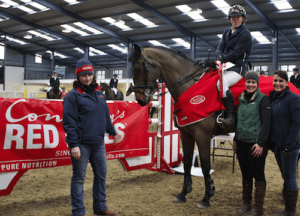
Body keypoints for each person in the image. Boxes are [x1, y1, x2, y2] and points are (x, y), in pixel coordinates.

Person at [63, 58, 121, 216]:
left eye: (89, 74)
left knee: (101, 176)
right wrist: (74, 144)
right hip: (81, 145)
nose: (87, 78)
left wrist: (113, 132)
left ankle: (100, 207)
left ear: (93, 75)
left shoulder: (100, 94)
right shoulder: (72, 96)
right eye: (83, 75)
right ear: (78, 77)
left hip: (98, 143)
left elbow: (105, 116)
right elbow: (69, 122)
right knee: (79, 178)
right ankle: (78, 211)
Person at [233, 71, 271, 216]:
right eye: (248, 82)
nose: (250, 85)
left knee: (258, 175)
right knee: (246, 175)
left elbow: (267, 123)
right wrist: (236, 139)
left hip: (255, 144)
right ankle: (246, 204)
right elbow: (239, 122)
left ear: (257, 83)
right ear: (245, 83)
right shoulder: (241, 99)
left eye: (253, 82)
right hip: (242, 143)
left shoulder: (263, 100)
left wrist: (261, 143)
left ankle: (258, 208)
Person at [269, 70, 300, 216]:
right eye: (275, 80)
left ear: (286, 83)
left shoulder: (293, 98)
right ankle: (289, 204)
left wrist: (289, 144)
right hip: (278, 145)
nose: (277, 83)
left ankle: (290, 211)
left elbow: (296, 123)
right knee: (285, 175)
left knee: (290, 177)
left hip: (290, 146)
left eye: (281, 81)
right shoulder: (274, 98)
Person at [216, 5, 252, 128]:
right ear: (230, 19)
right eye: (232, 17)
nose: (235, 19)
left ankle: (231, 116)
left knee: (221, 83)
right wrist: (218, 56)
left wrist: (222, 59)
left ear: (243, 18)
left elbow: (236, 53)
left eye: (238, 17)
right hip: (226, 65)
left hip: (238, 67)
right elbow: (220, 47)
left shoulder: (245, 34)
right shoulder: (227, 31)